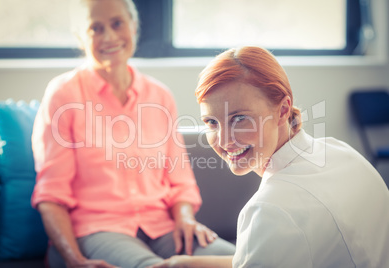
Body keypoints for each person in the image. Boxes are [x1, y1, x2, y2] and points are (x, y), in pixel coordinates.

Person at [30, 0, 235, 267]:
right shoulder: (63, 94)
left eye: (117, 23)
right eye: (96, 28)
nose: (110, 37)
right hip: (97, 229)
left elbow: (180, 182)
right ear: (81, 36)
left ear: (134, 25)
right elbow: (51, 195)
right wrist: (74, 259)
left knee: (247, 258)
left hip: (161, 226)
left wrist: (185, 219)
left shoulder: (159, 95)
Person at [148, 46, 389, 268]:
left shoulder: (271, 209)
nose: (223, 141)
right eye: (211, 122)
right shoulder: (340, 151)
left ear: (283, 110)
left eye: (239, 118)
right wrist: (179, 264)